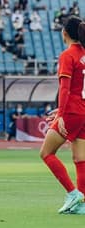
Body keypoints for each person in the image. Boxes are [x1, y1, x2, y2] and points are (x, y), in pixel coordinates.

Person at [39, 16, 85, 214]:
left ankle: (73, 193)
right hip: (83, 111)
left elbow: (65, 89)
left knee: (46, 153)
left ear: (64, 33)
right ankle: (81, 204)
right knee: (80, 158)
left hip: (73, 111)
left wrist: (62, 114)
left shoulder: (68, 55)